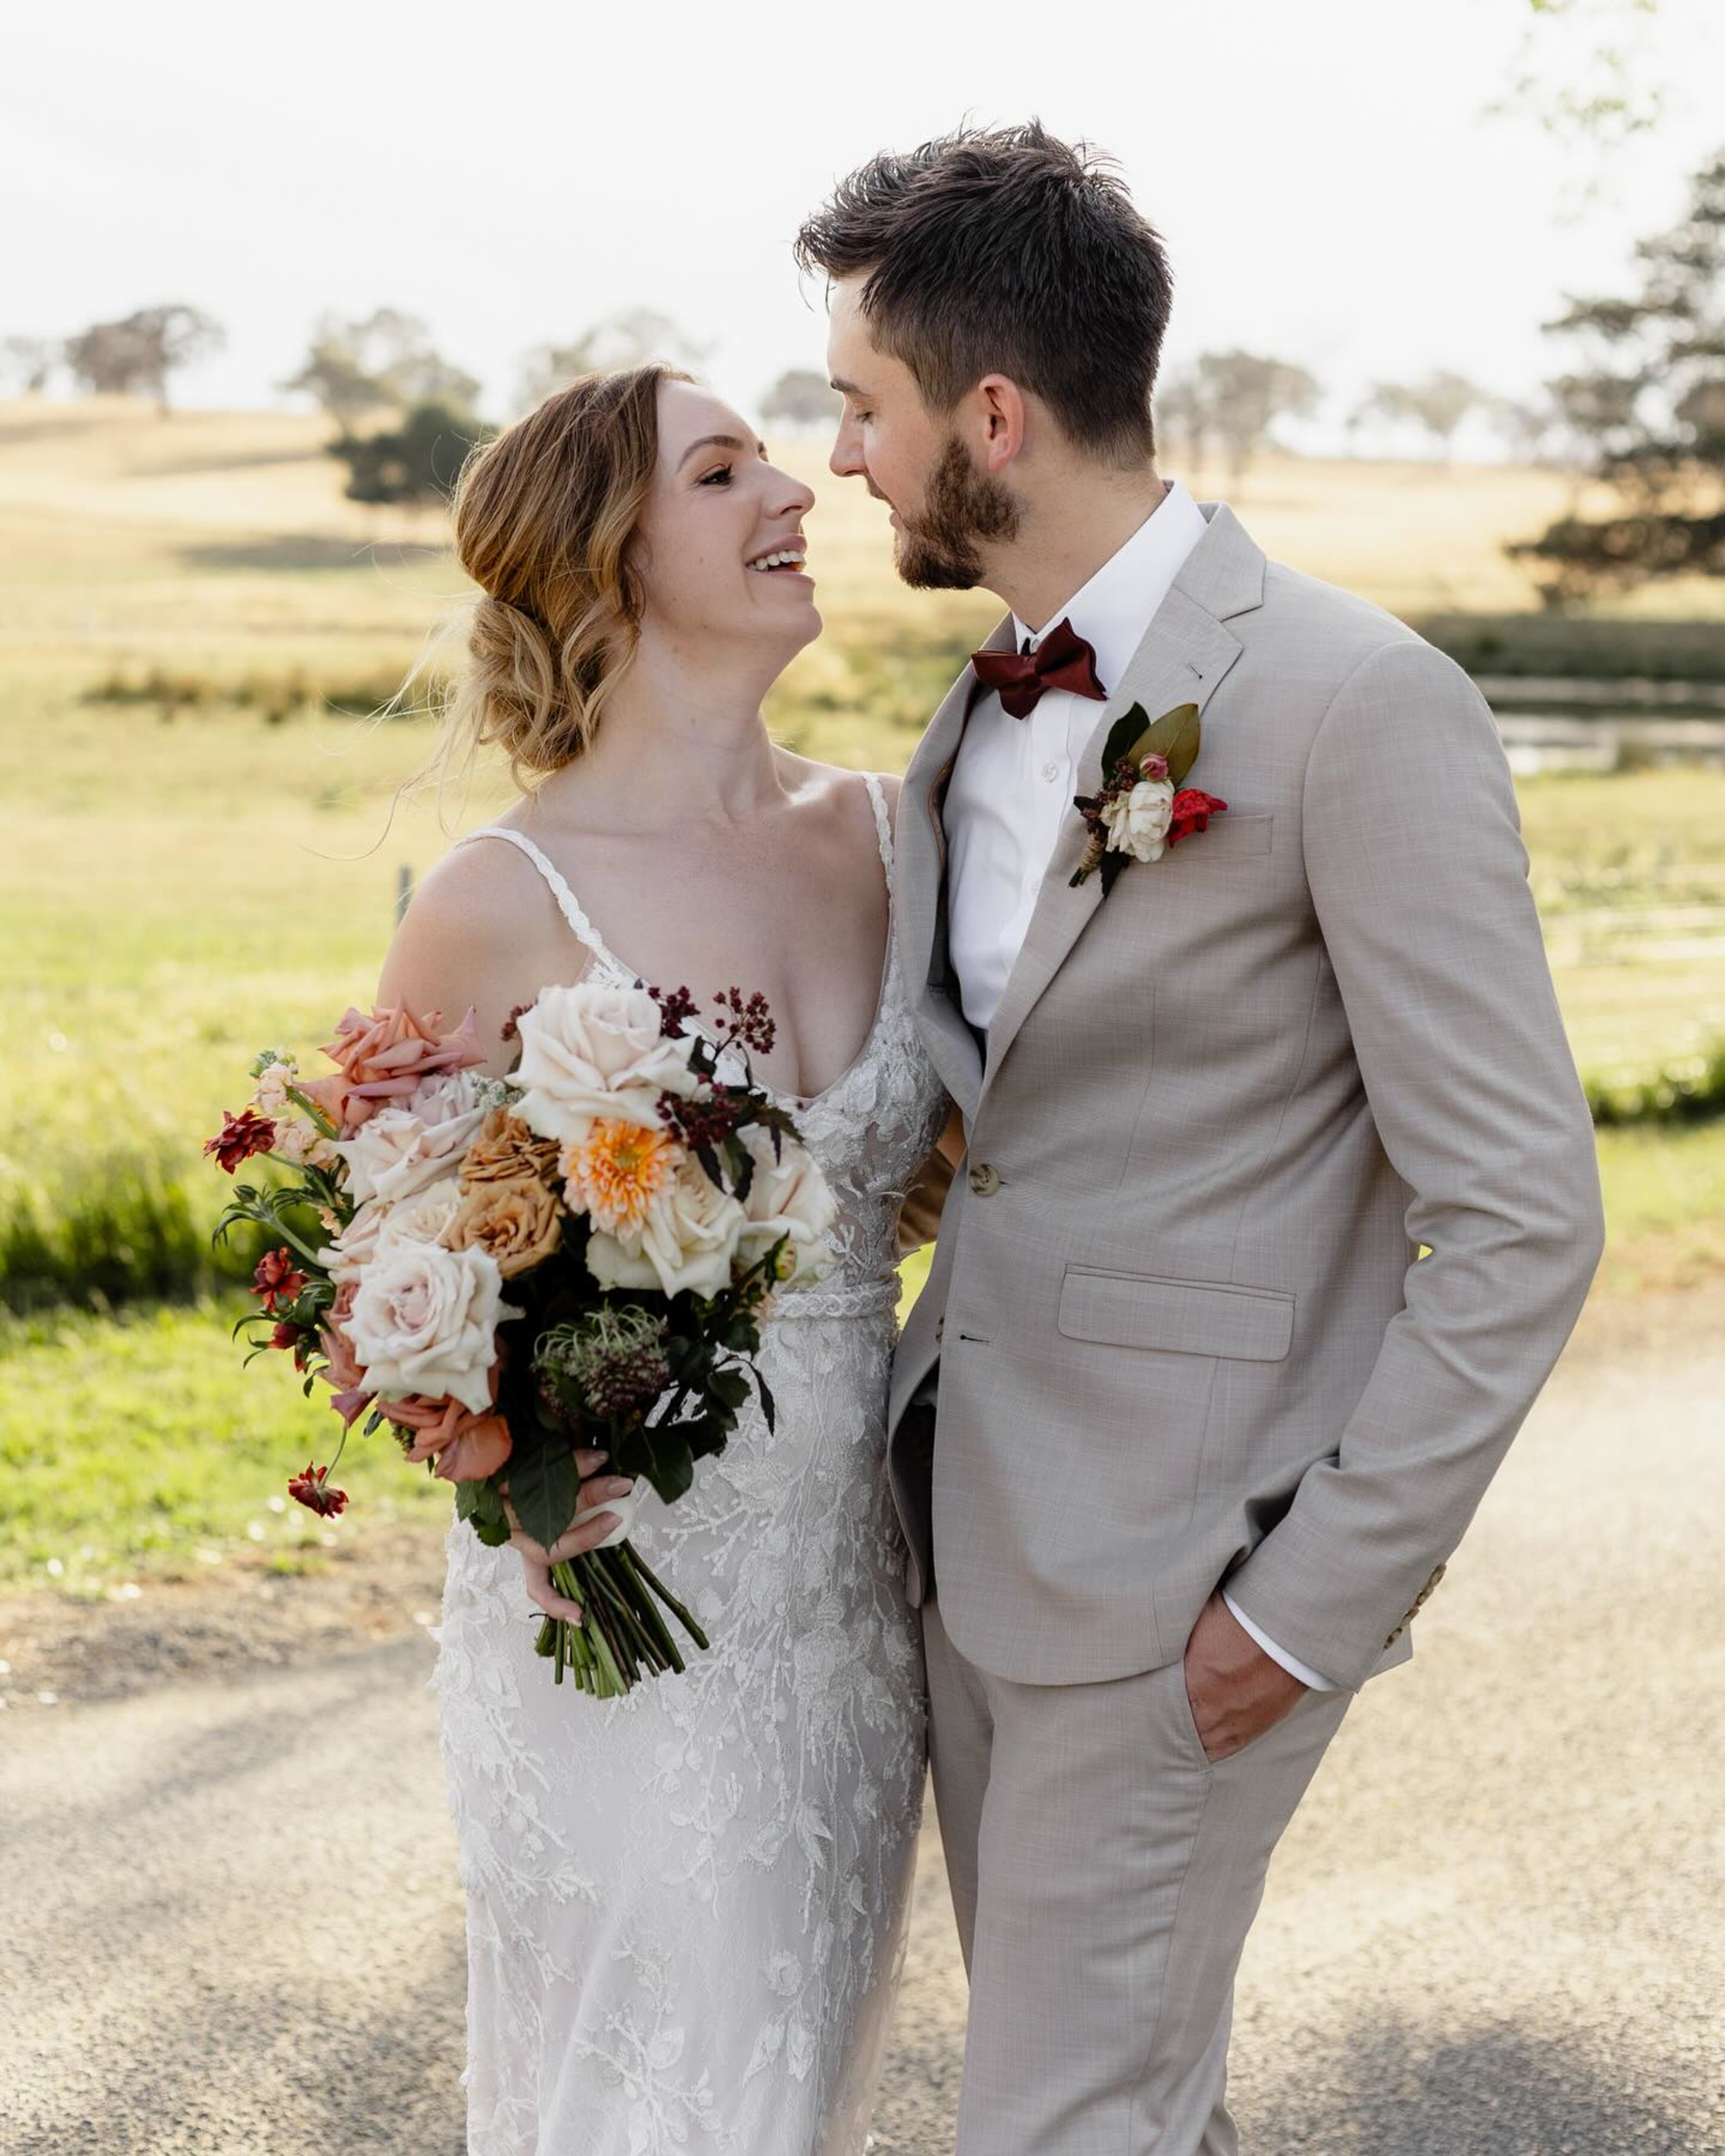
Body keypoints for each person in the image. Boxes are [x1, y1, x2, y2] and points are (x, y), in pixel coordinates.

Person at [796, 122, 1607, 2153]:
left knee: (1061, 2114)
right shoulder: (971, 716)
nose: (839, 461)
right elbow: (995, 1127)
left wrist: (1303, 1604)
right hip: (966, 1530)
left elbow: (1518, 1213)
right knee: (1127, 2098)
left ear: (992, 412)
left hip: (1184, 1589)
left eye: (858, 406)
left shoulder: (1356, 703)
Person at [375, 364, 950, 2155]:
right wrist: (512, 1474)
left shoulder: (897, 832)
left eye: (777, 455)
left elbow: (957, 1164)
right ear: (610, 559)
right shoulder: (493, 896)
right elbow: (396, 1284)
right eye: (724, 471)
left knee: (791, 2080)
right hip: (609, 1599)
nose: (796, 489)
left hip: (848, 1612)